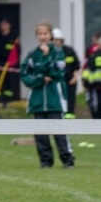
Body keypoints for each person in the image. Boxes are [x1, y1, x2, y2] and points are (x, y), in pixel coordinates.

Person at [20, 20, 74, 168]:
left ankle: (67, 159)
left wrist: (46, 56)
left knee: (59, 131)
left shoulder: (57, 52)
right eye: (40, 34)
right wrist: (39, 80)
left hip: (54, 99)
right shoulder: (32, 54)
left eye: (45, 33)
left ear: (51, 35)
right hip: (37, 100)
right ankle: (46, 161)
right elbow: (25, 74)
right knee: (40, 133)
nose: (42, 36)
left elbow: (57, 73)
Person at [52, 28, 81, 119]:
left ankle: (69, 116)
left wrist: (75, 78)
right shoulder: (51, 52)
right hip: (57, 81)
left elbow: (76, 65)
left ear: (62, 40)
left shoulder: (69, 50)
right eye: (54, 39)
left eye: (58, 39)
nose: (56, 41)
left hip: (70, 80)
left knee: (70, 99)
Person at [0, 17, 20, 106]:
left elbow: (17, 50)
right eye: (1, 24)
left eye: (4, 24)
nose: (2, 26)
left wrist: (13, 61)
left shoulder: (13, 37)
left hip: (9, 63)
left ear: (9, 25)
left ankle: (7, 100)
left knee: (9, 82)